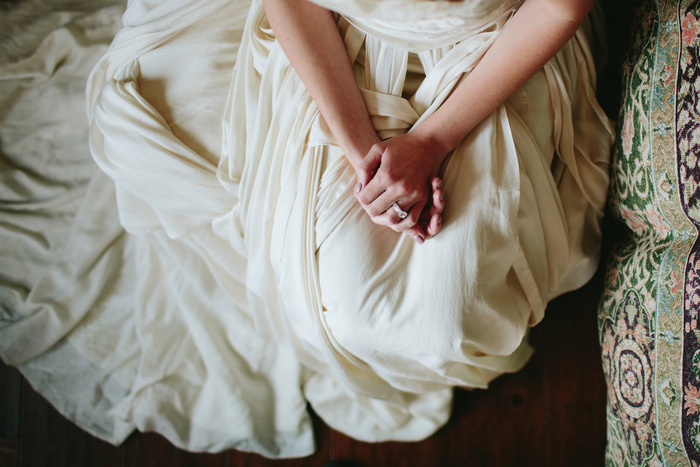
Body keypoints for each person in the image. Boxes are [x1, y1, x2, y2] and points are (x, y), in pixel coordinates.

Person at [1, 0, 613, 458]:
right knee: (149, 113)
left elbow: (559, 5)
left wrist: (430, 142)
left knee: (430, 314)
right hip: (351, 34)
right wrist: (363, 155)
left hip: (489, 51)